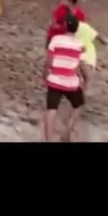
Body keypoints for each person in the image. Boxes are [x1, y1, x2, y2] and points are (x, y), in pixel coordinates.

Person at [44, 13, 88, 142]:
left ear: (65, 26)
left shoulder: (56, 40)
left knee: (51, 109)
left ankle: (49, 139)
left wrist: (44, 75)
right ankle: (66, 131)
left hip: (54, 80)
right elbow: (82, 66)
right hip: (71, 83)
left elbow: (49, 63)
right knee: (78, 105)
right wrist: (86, 79)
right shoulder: (80, 44)